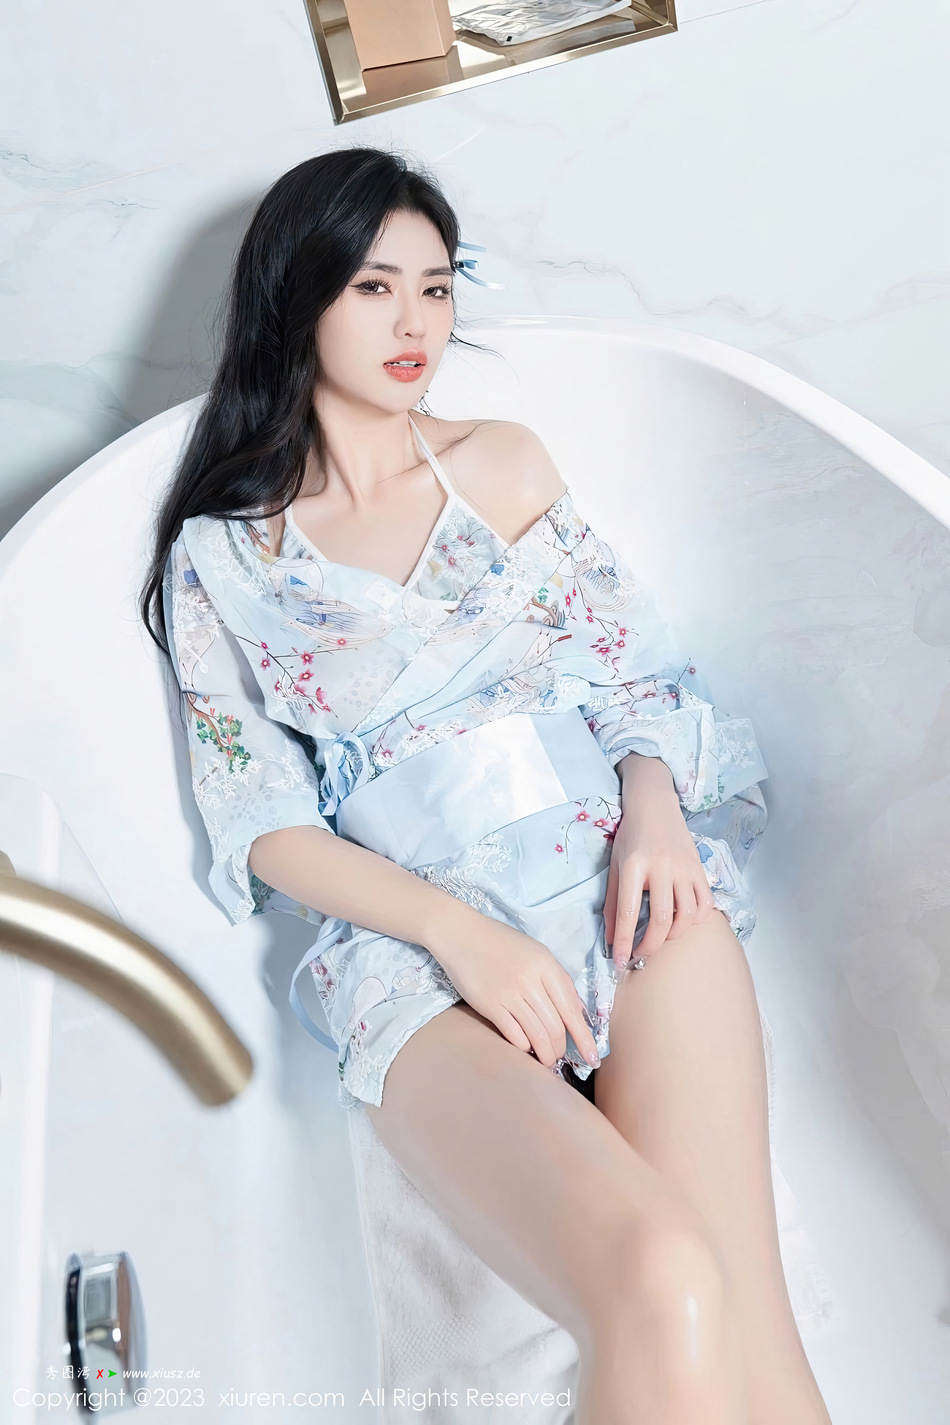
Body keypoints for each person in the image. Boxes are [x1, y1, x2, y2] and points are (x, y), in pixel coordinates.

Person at [140, 147, 832, 1424]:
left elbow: (637, 676)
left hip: (619, 878)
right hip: (415, 948)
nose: (414, 323)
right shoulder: (225, 557)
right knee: (659, 1277)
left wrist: (655, 811)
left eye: (435, 286)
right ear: (298, 297)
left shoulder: (501, 463)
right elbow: (264, 825)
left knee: (748, 1318)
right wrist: (456, 933)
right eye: (373, 288)